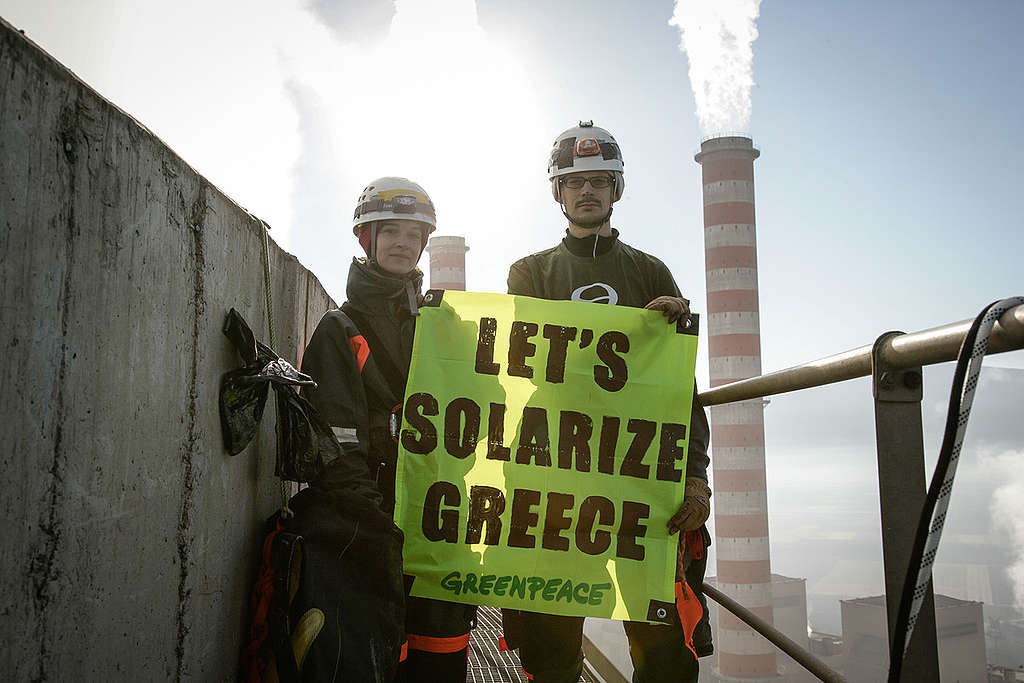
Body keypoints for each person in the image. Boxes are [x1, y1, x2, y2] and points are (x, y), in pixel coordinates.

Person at [503, 122, 714, 683]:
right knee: (550, 645)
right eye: (575, 183)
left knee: (663, 645)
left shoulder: (651, 273)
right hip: (558, 485)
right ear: (559, 192)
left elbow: (681, 393)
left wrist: (694, 475)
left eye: (599, 181)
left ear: (616, 189)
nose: (587, 192)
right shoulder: (529, 273)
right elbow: (519, 369)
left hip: (640, 485)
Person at [300, 177, 475, 682]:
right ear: (366, 240)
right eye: (391, 231)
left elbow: (488, 411)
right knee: (377, 657)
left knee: (441, 651)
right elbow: (335, 437)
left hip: (439, 518)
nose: (403, 243)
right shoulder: (340, 328)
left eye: (414, 234)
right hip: (372, 521)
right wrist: (375, 524)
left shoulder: (445, 327)